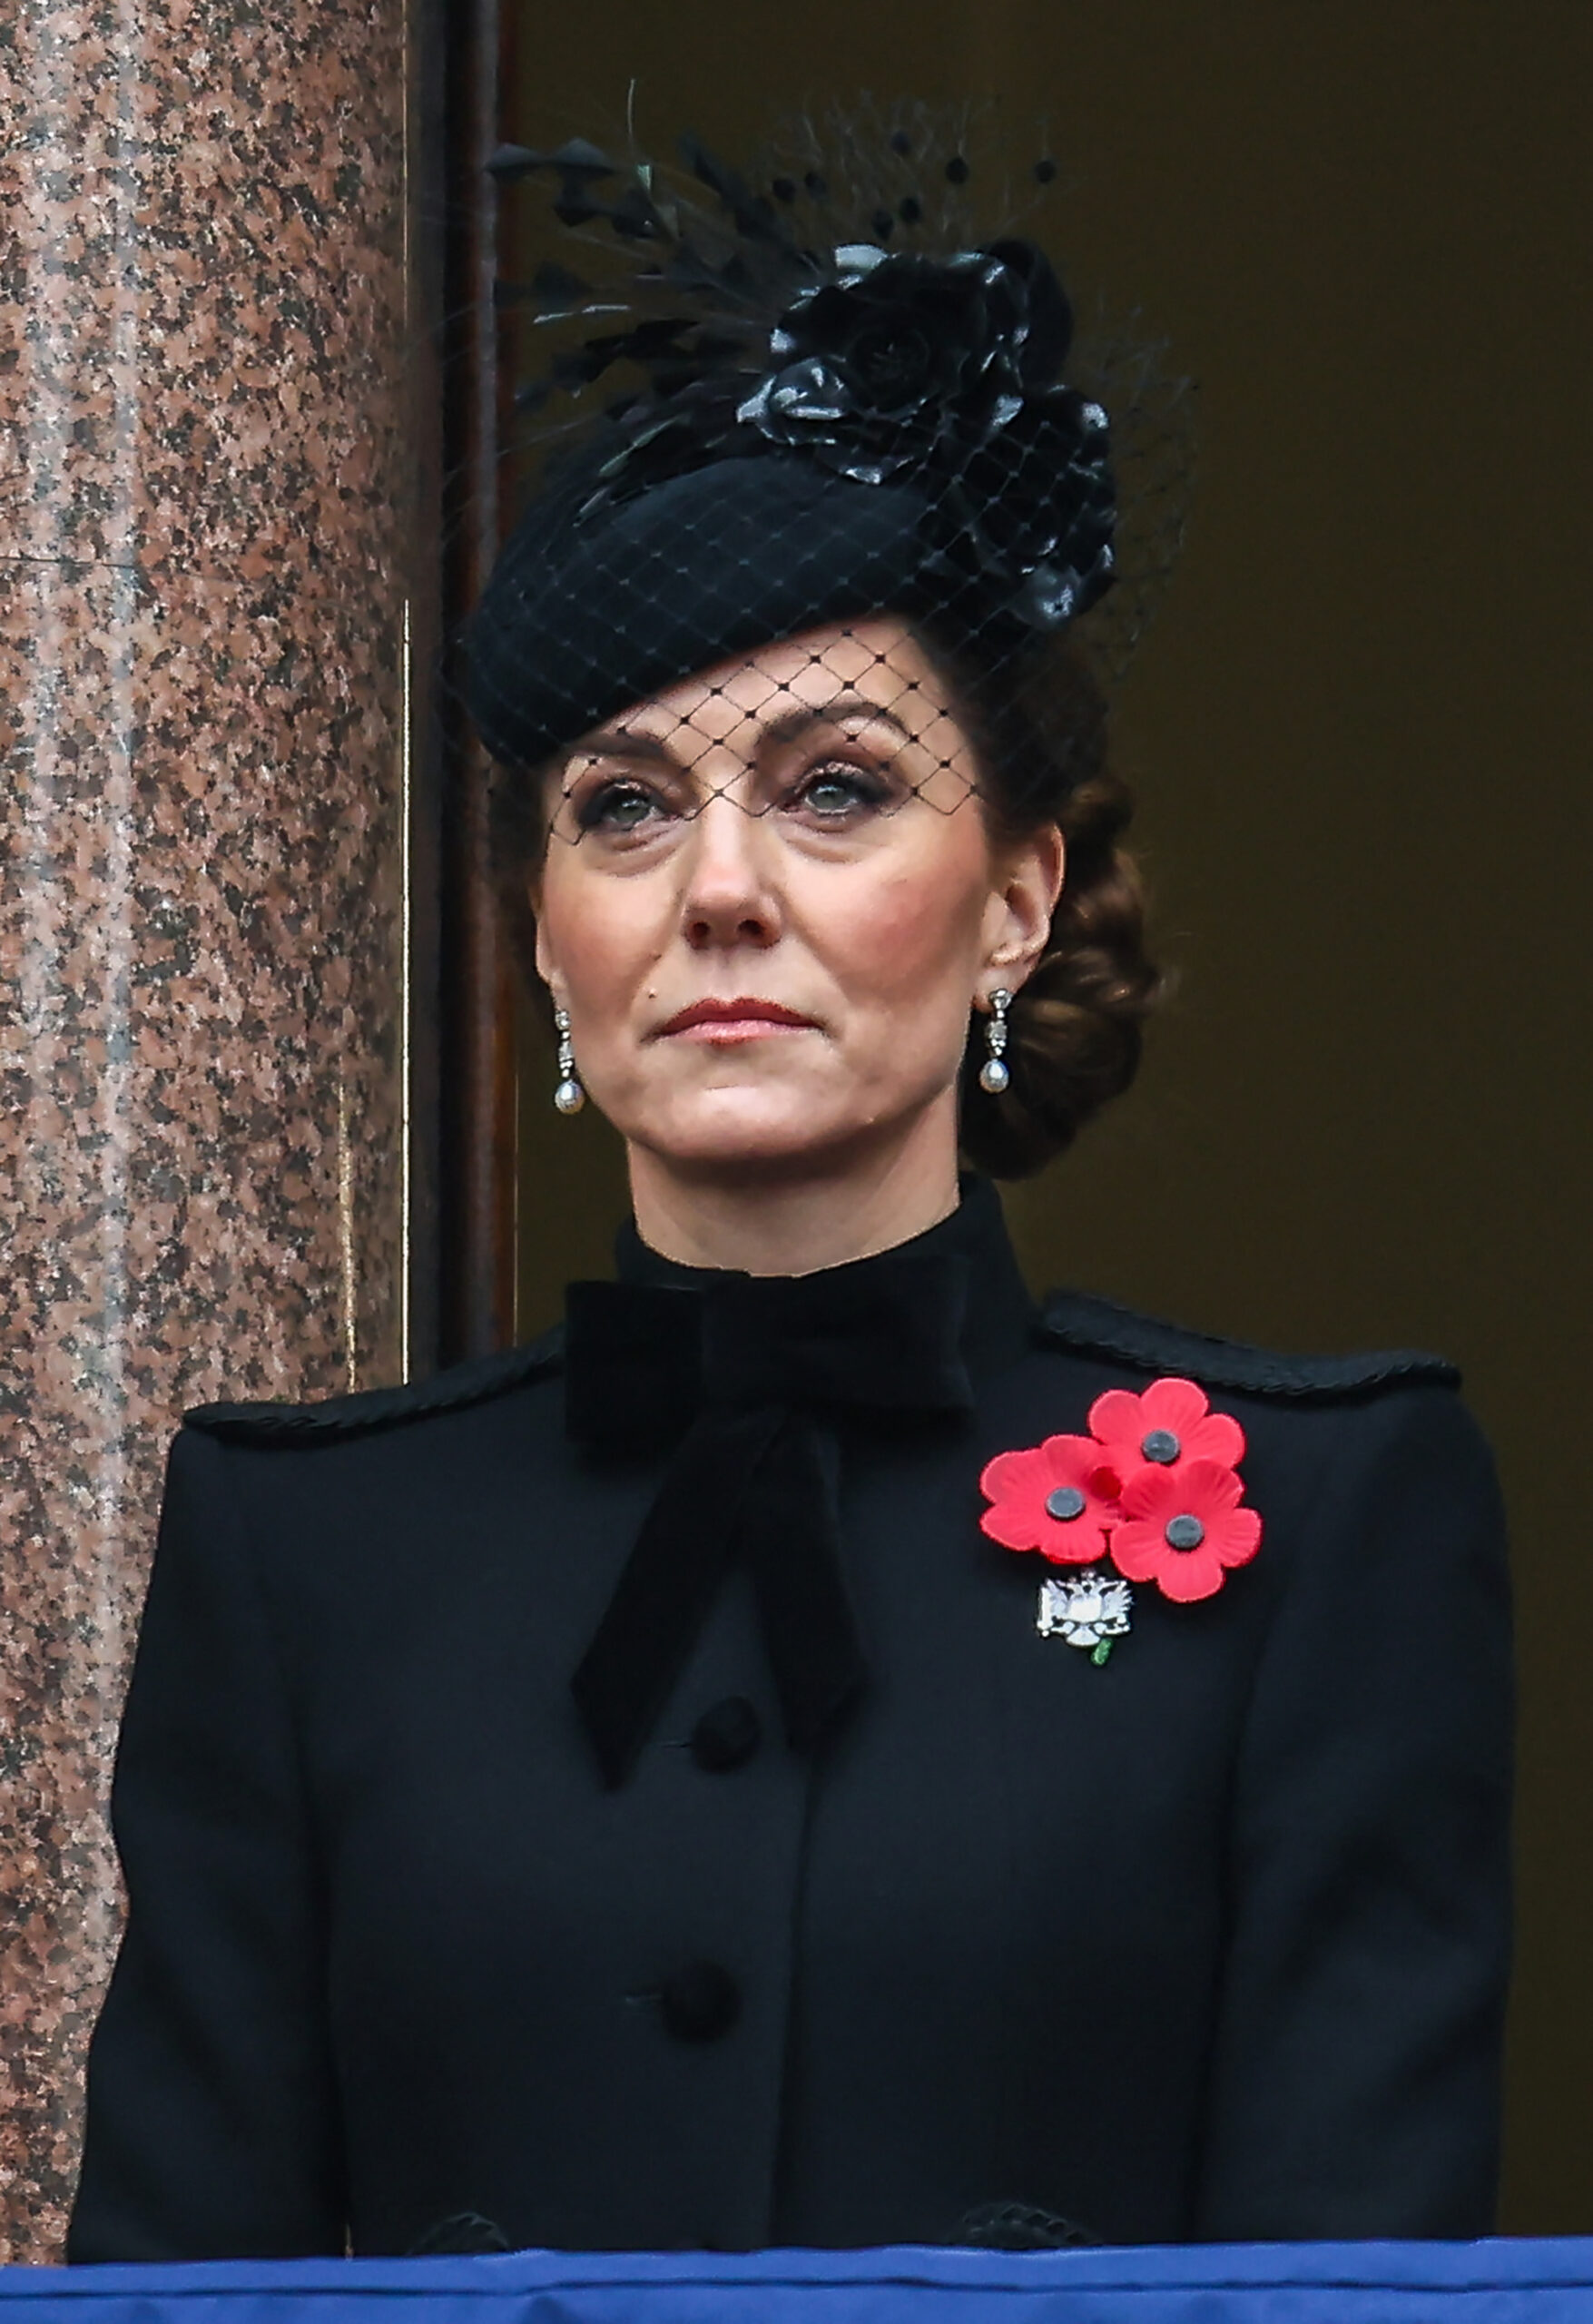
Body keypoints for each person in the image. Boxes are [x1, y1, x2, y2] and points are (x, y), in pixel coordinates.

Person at [68, 115, 1510, 2264]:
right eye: (624, 808)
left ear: (1015, 895)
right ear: (542, 935)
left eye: (833, 787)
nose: (720, 889)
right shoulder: (308, 1556)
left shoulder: (1328, 1520)